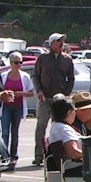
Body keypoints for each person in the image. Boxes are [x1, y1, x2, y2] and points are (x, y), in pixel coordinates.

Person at [32, 33, 75, 166]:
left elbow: (71, 79)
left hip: (60, 100)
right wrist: (39, 90)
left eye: (62, 41)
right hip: (45, 98)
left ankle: (56, 154)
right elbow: (35, 76)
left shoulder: (67, 59)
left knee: (58, 128)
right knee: (41, 126)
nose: (61, 43)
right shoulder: (43, 58)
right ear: (51, 43)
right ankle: (39, 155)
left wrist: (66, 95)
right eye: (58, 41)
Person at [0, 52, 35, 170]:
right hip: (6, 107)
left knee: (15, 132)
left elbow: (31, 92)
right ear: (11, 63)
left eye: (20, 62)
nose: (19, 65)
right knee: (5, 131)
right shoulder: (4, 75)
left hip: (18, 107)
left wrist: (22, 93)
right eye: (16, 62)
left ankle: (13, 157)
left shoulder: (25, 76)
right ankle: (4, 156)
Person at [47, 95, 83, 176]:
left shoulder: (56, 126)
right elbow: (74, 153)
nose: (75, 114)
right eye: (74, 111)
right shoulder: (64, 129)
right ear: (69, 112)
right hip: (74, 167)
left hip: (71, 166)